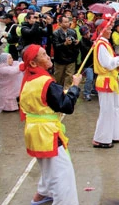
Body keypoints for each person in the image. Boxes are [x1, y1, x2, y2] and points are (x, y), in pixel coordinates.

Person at [19, 44, 82, 205]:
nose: (48, 56)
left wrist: (63, 93)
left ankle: (43, 194)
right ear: (33, 63)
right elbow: (66, 106)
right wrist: (75, 87)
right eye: (43, 55)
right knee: (63, 174)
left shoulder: (29, 80)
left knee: (48, 166)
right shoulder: (46, 82)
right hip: (47, 133)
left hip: (35, 131)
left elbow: (46, 102)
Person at [92, 19, 119, 148]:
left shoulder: (105, 44)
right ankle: (101, 138)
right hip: (106, 80)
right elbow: (108, 63)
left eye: (111, 29)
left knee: (114, 109)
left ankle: (113, 135)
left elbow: (111, 62)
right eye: (109, 29)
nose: (111, 31)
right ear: (101, 30)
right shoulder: (101, 44)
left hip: (111, 80)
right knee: (107, 110)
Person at [52, 16, 80, 89]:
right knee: (58, 79)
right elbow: (56, 46)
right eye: (65, 22)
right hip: (60, 59)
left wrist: (76, 43)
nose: (67, 24)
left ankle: (67, 93)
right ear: (60, 23)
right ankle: (58, 93)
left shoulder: (72, 32)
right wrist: (64, 44)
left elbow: (75, 45)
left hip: (71, 58)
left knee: (69, 78)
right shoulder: (56, 33)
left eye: (68, 22)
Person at [79, 25, 94, 101]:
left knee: (95, 77)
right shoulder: (82, 42)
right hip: (87, 63)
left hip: (94, 62)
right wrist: (93, 44)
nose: (87, 34)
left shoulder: (92, 38)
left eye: (87, 32)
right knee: (89, 78)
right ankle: (86, 93)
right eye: (85, 34)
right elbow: (87, 49)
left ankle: (94, 89)